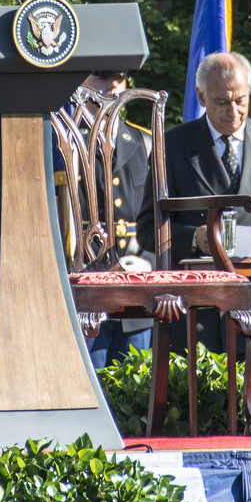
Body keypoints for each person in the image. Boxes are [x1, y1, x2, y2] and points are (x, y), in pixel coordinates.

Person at [164, 52, 251, 364]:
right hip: (200, 313)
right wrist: (194, 238)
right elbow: (148, 227)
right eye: (222, 102)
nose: (233, 112)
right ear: (201, 97)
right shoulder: (173, 145)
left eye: (240, 101)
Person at [74, 69, 158, 367]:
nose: (112, 85)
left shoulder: (146, 142)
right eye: (101, 75)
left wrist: (149, 260)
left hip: (137, 291)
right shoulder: (65, 144)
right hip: (85, 294)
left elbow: (160, 215)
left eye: (119, 77)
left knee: (138, 387)